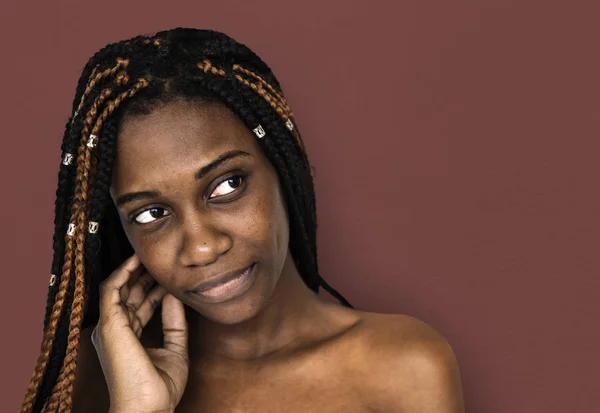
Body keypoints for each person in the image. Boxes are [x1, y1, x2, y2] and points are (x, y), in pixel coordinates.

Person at [19, 27, 465, 413]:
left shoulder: (404, 366)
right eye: (152, 213)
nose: (202, 247)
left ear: (284, 166)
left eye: (227, 185)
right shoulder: (99, 381)